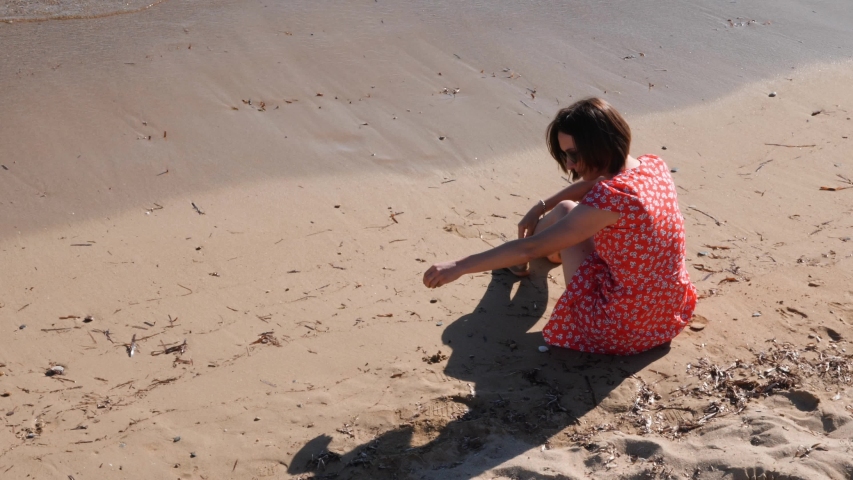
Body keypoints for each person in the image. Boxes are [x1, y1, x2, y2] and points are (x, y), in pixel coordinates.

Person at [423, 98, 697, 355]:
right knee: (568, 213)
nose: (569, 164)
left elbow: (530, 248)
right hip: (668, 316)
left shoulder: (611, 198)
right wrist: (541, 205)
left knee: (565, 211)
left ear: (599, 145)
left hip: (623, 330)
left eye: (573, 154)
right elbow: (596, 182)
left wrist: (458, 266)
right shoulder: (652, 166)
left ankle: (538, 256)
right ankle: (554, 251)